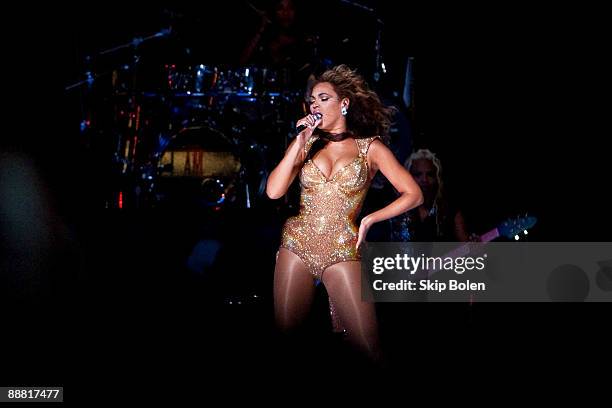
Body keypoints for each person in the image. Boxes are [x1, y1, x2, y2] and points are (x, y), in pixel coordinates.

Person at [266, 64, 423, 362]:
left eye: (323, 98)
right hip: (297, 244)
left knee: (368, 348)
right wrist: (299, 141)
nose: (315, 104)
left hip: (342, 247)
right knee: (286, 342)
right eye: (312, 100)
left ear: (344, 103)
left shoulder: (370, 149)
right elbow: (274, 191)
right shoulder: (308, 145)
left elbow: (414, 194)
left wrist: (370, 218)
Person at [393, 148, 478, 242]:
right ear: (409, 178)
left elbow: (466, 245)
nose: (424, 180)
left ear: (437, 179)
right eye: (418, 174)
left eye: (430, 174)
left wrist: (473, 246)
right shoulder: (398, 210)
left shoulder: (450, 211)